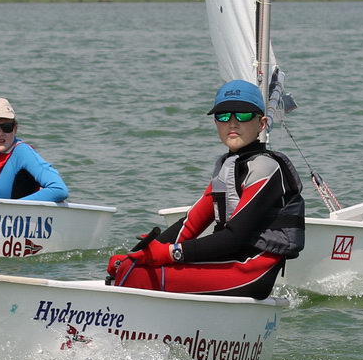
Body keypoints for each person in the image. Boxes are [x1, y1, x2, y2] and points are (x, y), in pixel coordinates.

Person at [106, 79, 305, 299]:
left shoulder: (265, 168)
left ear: (262, 123)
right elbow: (189, 225)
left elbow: (234, 239)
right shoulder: (226, 168)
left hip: (251, 272)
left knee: (136, 274)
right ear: (215, 122)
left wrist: (170, 253)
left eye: (243, 115)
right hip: (229, 262)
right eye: (223, 116)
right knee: (129, 266)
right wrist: (136, 254)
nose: (232, 123)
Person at [0, 97, 69, 202]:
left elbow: (59, 189)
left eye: (7, 127)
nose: (0, 133)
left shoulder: (22, 152)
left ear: (15, 129)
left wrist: (12, 208)